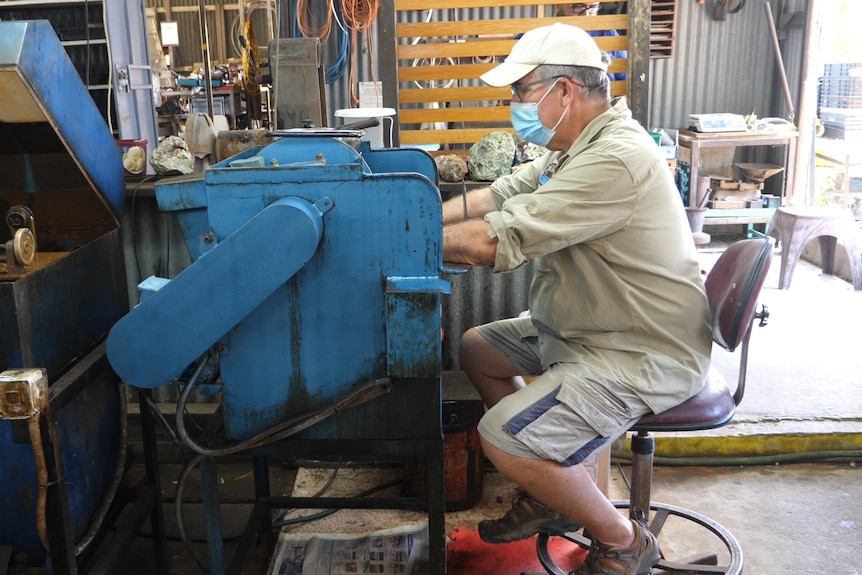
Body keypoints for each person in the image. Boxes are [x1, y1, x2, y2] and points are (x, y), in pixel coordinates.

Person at [441, 23, 712, 575]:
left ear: (564, 90)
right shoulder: (573, 149)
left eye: (522, 93)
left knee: (503, 439)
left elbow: (494, 238)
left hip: (641, 349)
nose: (516, 106)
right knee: (478, 348)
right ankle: (550, 493)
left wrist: (394, 243)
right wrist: (412, 218)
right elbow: (501, 193)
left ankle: (622, 541)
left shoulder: (613, 159)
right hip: (591, 326)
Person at [555, 3, 627, 81]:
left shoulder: (608, 34)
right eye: (578, 7)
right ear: (558, 5)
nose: (586, 15)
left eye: (593, 7)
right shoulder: (548, 36)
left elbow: (625, 78)